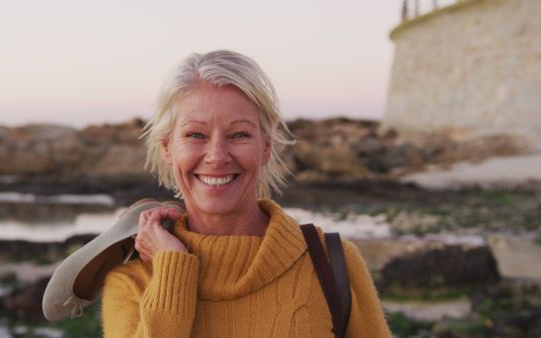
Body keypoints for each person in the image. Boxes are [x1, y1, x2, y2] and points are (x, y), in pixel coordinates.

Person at [101, 50, 391, 337]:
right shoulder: (131, 284)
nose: (216, 156)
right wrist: (171, 270)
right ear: (167, 147)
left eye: (239, 134)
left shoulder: (330, 262)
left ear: (266, 146)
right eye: (195, 135)